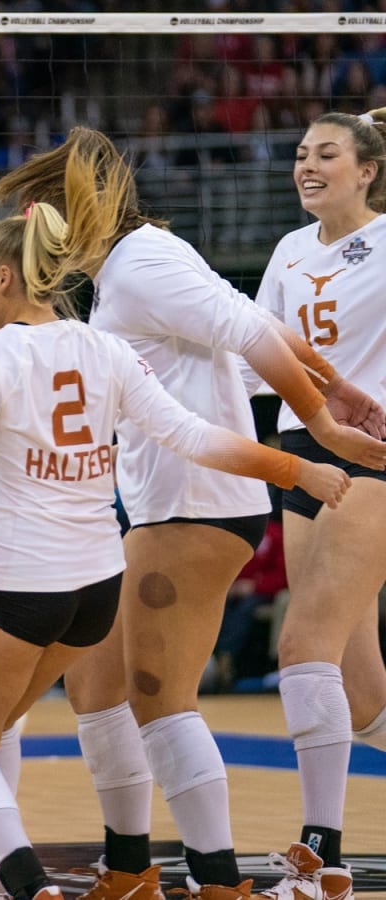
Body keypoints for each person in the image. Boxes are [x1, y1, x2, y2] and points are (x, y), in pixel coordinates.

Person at [0, 205, 354, 900]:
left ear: (8, 277)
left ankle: (24, 880)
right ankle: (40, 870)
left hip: (22, 584)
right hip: (97, 590)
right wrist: (298, 469)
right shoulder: (105, 348)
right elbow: (193, 435)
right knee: (4, 718)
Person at [0, 128, 386, 900]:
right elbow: (256, 329)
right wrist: (328, 387)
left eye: (50, 212)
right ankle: (130, 864)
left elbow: (242, 331)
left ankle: (256, 869)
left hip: (208, 497)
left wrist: (330, 419)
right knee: (98, 682)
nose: (42, 234)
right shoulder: (140, 271)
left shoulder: (145, 262)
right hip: (183, 488)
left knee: (190, 683)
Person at [252, 109, 386, 900]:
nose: (307, 165)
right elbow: (259, 349)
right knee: (358, 687)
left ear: (367, 170)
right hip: (302, 451)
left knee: (302, 647)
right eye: (300, 153)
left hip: (372, 453)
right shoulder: (289, 250)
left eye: (326, 154)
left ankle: (321, 855)